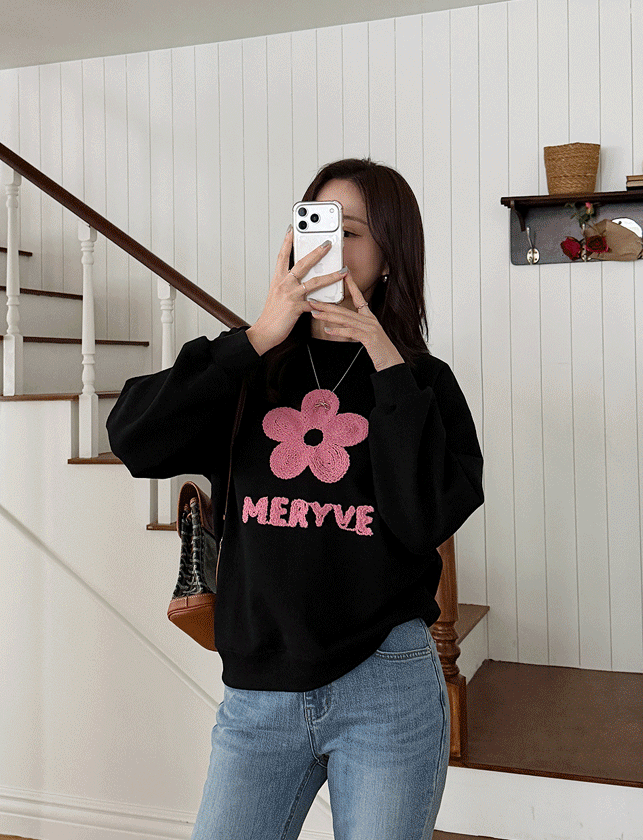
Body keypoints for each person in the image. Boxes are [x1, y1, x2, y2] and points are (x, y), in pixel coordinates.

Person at [106, 158, 484, 840]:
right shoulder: (252, 368)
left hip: (386, 687)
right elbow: (134, 438)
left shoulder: (421, 381)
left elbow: (425, 518)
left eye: (353, 231)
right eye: (317, 227)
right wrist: (255, 337)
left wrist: (382, 356)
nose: (329, 246)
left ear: (390, 257)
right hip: (260, 695)